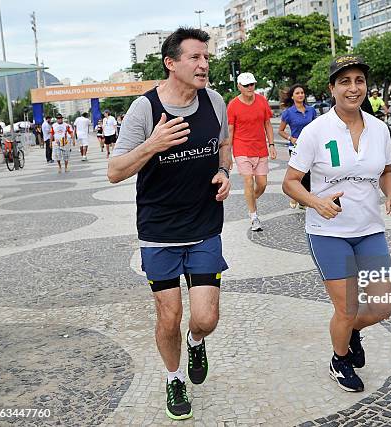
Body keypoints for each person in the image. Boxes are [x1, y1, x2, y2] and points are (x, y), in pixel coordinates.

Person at [107, 27, 231, 421]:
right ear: (171, 63)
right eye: (195, 57)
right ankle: (174, 377)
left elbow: (223, 145)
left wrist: (225, 171)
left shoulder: (214, 102)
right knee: (169, 317)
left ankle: (196, 342)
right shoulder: (145, 110)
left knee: (205, 318)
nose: (204, 65)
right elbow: (114, 171)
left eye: (206, 58)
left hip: (205, 227)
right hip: (159, 233)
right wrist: (153, 145)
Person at [282, 54, 391, 393]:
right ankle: (340, 359)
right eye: (345, 82)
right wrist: (316, 201)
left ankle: (351, 332)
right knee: (347, 306)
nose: (354, 88)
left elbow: (386, 171)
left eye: (359, 81)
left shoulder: (379, 129)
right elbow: (290, 182)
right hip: (328, 234)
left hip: (369, 230)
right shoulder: (315, 131)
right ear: (332, 88)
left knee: (384, 305)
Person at [227, 72, 276, 231]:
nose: (250, 88)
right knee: (248, 180)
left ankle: (250, 199)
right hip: (241, 148)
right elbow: (230, 130)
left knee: (262, 184)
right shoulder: (233, 105)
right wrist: (228, 154)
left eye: (252, 84)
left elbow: (267, 124)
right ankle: (254, 216)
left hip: (260, 148)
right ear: (239, 86)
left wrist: (272, 144)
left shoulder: (262, 101)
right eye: (246, 85)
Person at [278, 83, 317, 208]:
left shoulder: (311, 110)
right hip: (295, 147)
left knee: (310, 174)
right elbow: (280, 131)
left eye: (302, 93)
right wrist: (291, 138)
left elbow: (317, 127)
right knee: (299, 174)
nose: (300, 95)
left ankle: (302, 200)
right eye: (297, 93)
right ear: (292, 97)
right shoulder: (288, 113)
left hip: (311, 146)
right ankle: (297, 197)